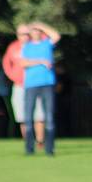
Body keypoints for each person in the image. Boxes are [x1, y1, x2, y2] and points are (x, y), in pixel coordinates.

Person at [21, 21, 61, 155]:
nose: (36, 32)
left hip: (47, 83)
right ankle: (29, 148)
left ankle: (49, 149)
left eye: (38, 31)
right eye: (34, 30)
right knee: (28, 117)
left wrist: (40, 25)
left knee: (49, 116)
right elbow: (23, 63)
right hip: (31, 84)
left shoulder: (46, 44)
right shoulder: (26, 47)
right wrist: (40, 61)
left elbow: (56, 35)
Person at [2, 24, 45, 140]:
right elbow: (6, 64)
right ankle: (28, 142)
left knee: (39, 115)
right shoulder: (13, 47)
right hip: (19, 85)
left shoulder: (37, 45)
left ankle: (40, 141)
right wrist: (14, 76)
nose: (25, 36)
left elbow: (51, 38)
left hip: (36, 84)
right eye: (22, 34)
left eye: (27, 33)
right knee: (22, 116)